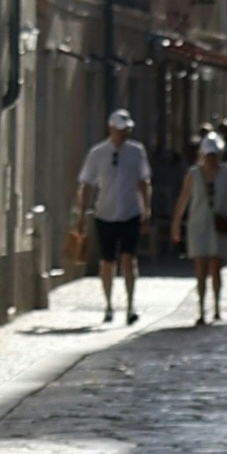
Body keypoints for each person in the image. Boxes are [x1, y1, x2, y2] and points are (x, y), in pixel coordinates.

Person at [83, 112, 152, 318]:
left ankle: (130, 305)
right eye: (121, 130)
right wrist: (81, 215)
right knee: (107, 262)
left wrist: (147, 209)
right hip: (105, 213)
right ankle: (109, 305)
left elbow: (144, 181)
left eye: (127, 130)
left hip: (130, 212)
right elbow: (87, 184)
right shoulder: (98, 153)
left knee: (129, 259)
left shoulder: (136, 151)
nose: (124, 134)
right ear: (111, 129)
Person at [179, 127, 227, 322]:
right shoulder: (193, 174)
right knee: (200, 269)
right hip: (198, 225)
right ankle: (201, 309)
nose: (212, 158)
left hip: (219, 225)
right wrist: (176, 222)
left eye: (215, 154)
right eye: (209, 154)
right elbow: (184, 199)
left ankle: (217, 306)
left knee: (216, 267)